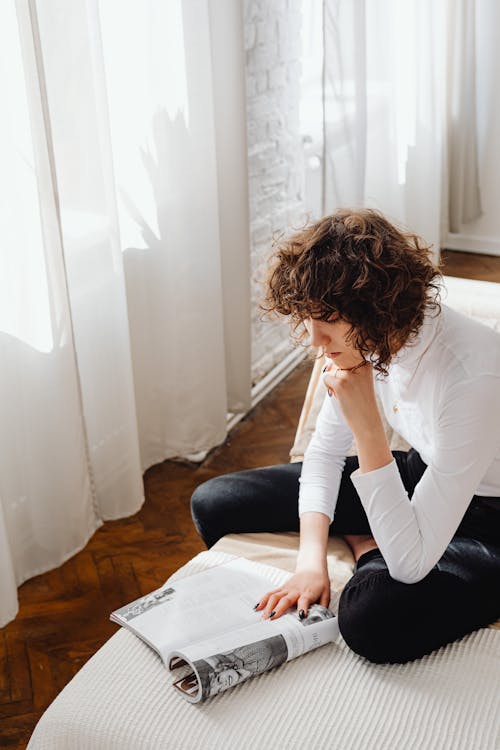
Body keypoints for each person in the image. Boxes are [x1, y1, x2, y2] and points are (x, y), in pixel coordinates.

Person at [190, 208, 500, 664]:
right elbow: (325, 454)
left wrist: (369, 429)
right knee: (216, 502)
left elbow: (410, 566)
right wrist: (309, 564)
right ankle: (371, 535)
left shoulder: (474, 376)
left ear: (375, 310)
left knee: (371, 618)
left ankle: (367, 543)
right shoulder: (371, 339)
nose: (315, 341)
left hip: (491, 517)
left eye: (325, 322)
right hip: (428, 471)